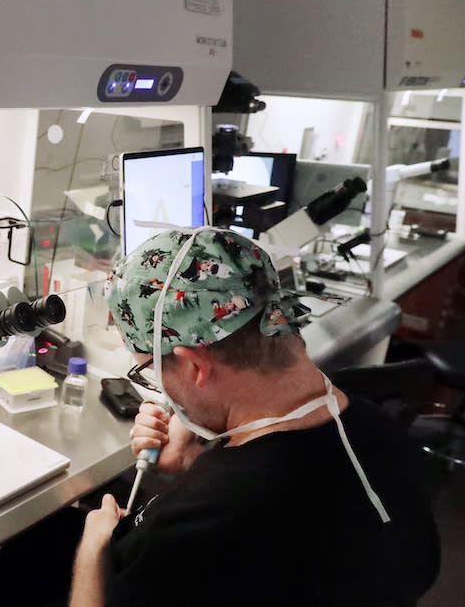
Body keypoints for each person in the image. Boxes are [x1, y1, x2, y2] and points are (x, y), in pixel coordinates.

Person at [70, 227, 440, 607]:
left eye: (149, 370)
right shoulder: (382, 430)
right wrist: (193, 464)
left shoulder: (201, 523)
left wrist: (93, 547)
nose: (159, 389)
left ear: (196, 365)